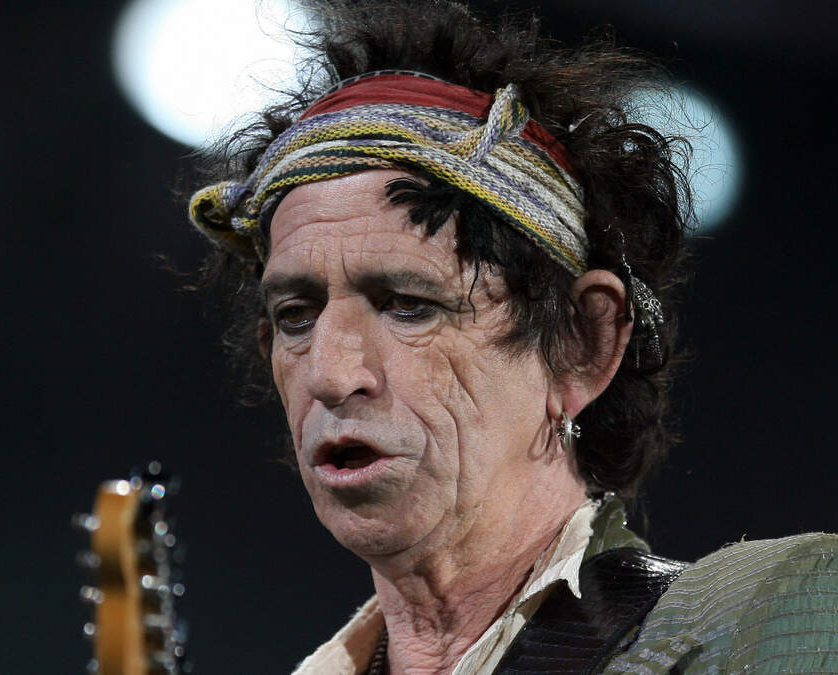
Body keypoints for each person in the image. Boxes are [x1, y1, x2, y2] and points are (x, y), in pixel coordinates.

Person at [182, 1, 838, 673]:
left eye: (408, 305)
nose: (329, 372)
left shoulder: (769, 615)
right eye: (296, 315)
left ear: (580, 344)